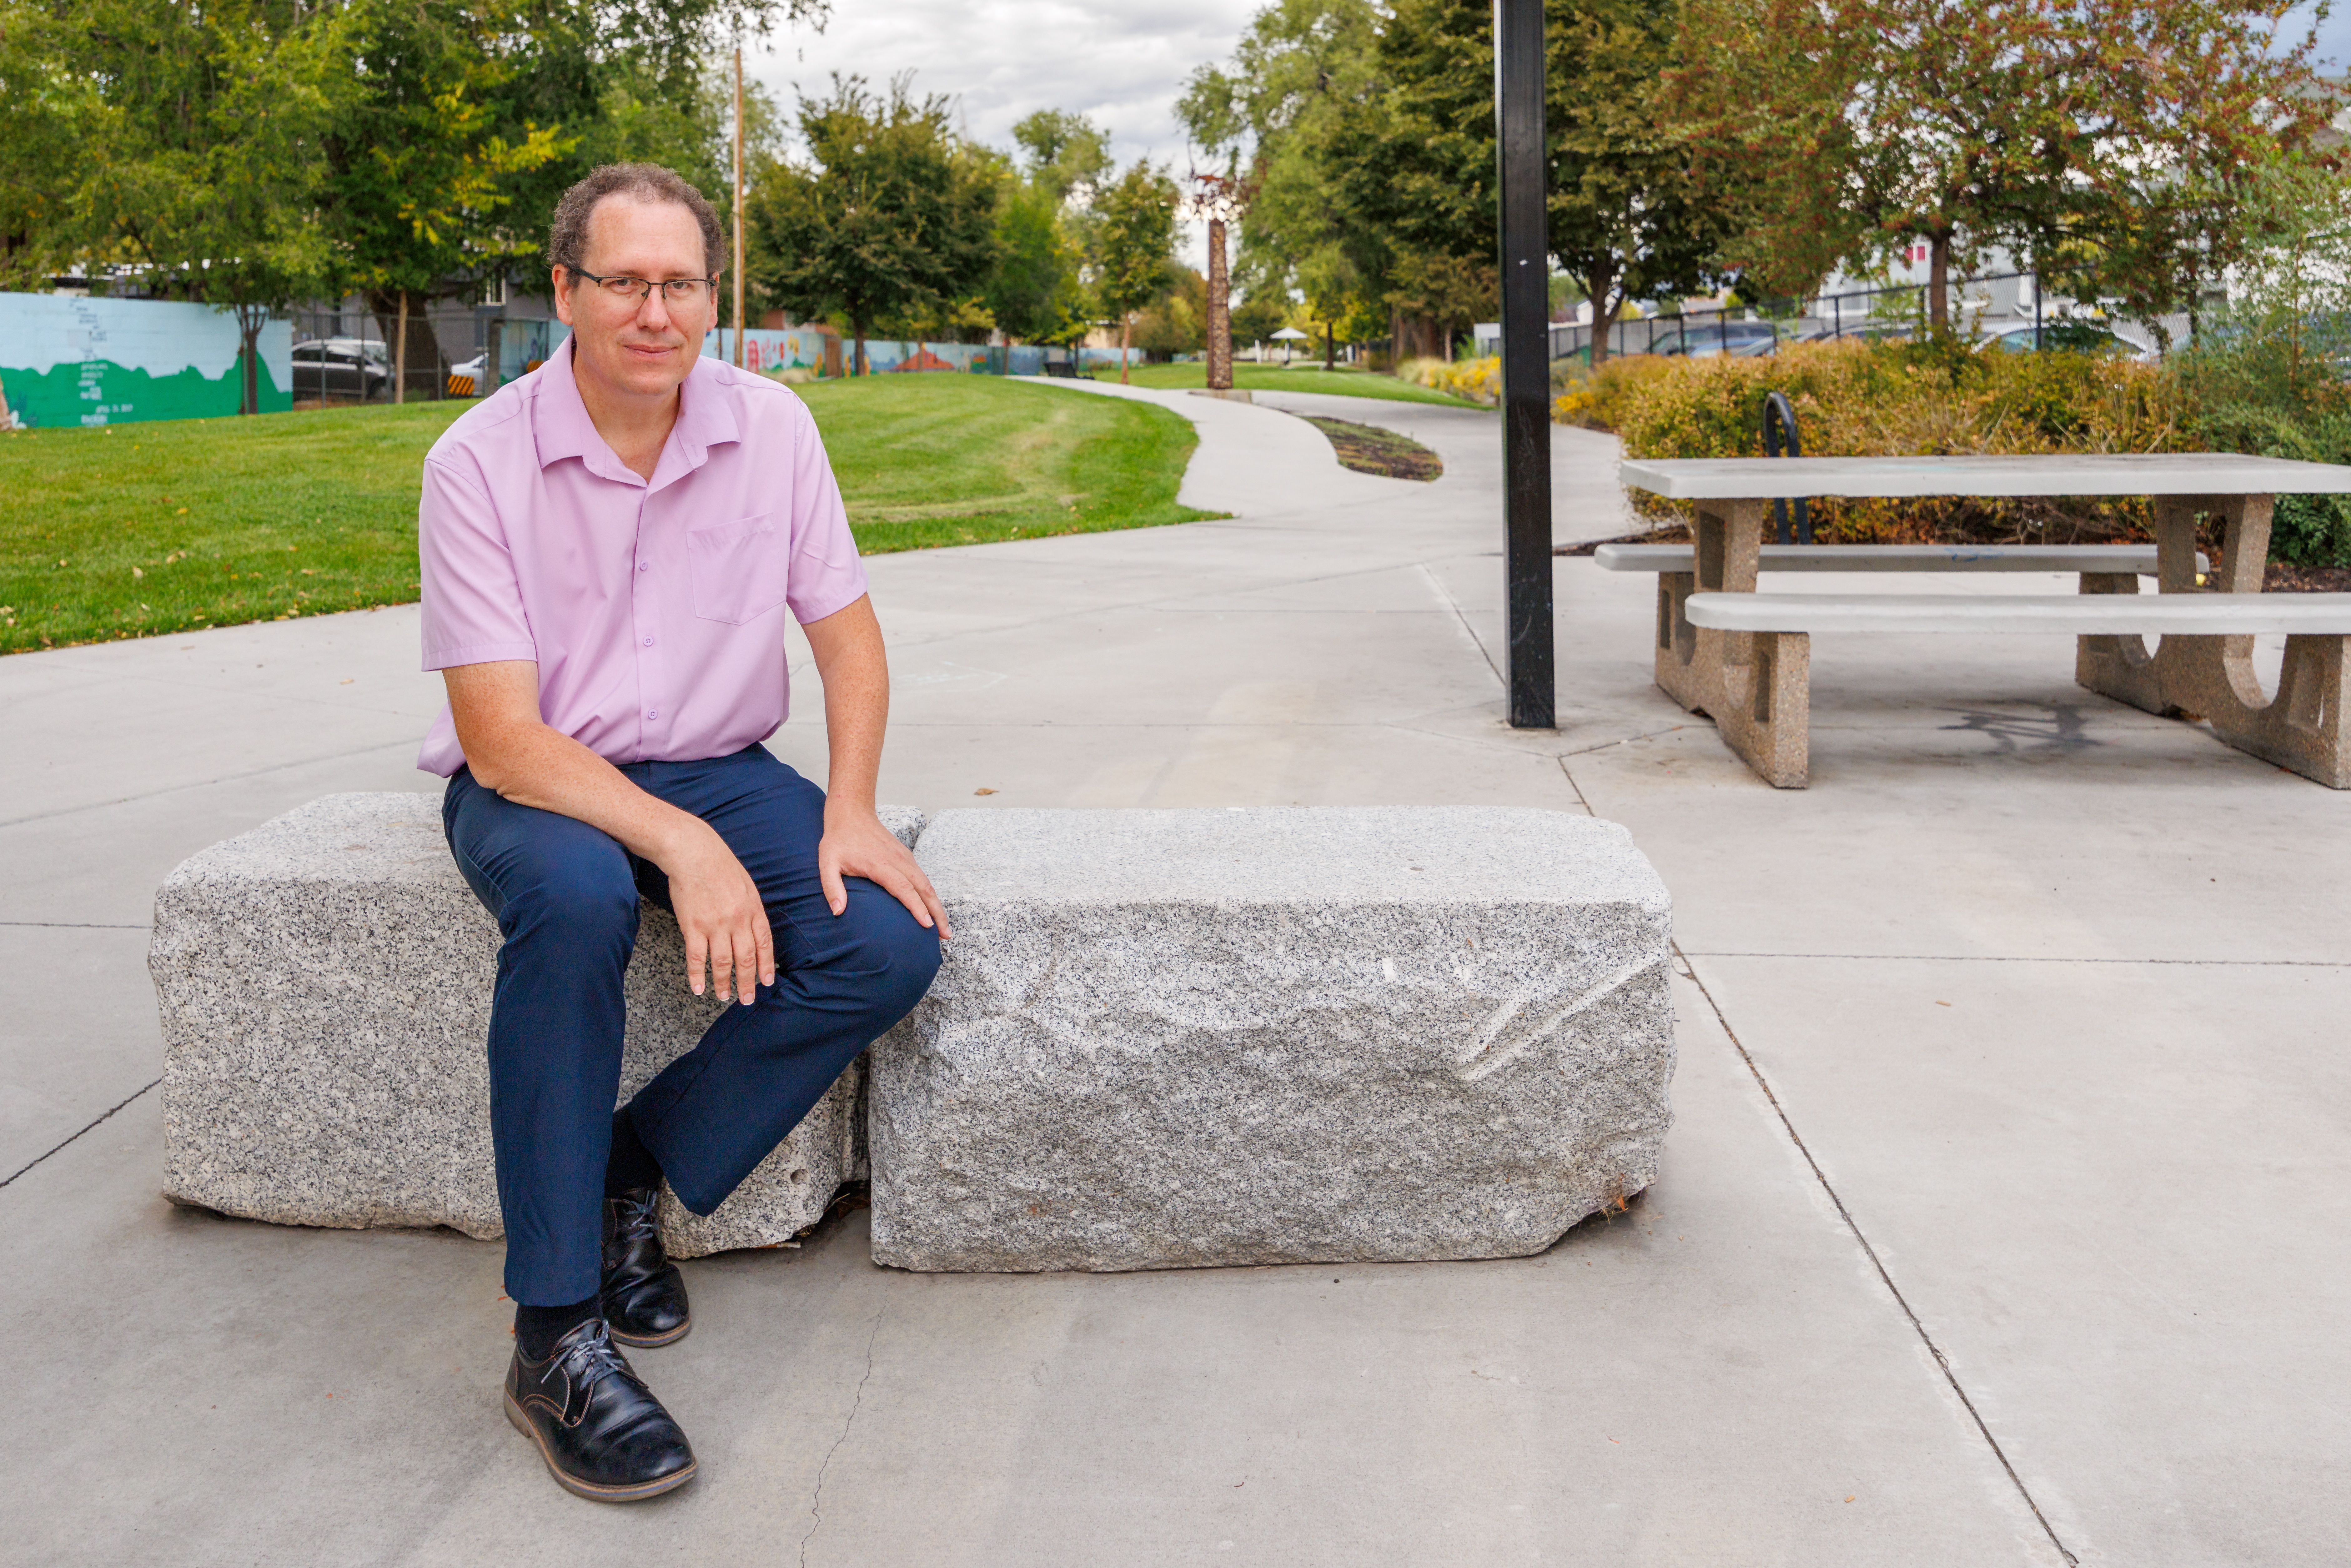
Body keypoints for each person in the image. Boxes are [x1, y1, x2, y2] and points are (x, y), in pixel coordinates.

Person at [415, 163, 947, 1502]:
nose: (655, 311)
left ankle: (622, 1173)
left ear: (713, 295)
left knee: (884, 943)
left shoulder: (772, 429)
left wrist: (853, 807)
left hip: (722, 762)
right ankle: (554, 1333)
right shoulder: (476, 461)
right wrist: (683, 848)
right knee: (583, 897)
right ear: (564, 293)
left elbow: (849, 637)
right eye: (624, 282)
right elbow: (499, 736)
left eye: (681, 284)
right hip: (542, 781)